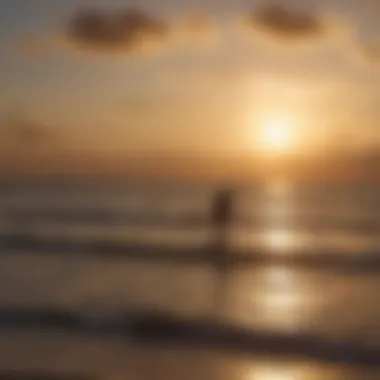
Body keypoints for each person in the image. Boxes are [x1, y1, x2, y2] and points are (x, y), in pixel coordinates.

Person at [210, 188, 235, 317]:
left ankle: (219, 248)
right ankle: (220, 248)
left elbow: (219, 212)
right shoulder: (224, 201)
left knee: (221, 233)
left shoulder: (223, 201)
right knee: (222, 233)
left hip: (221, 219)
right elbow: (221, 212)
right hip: (222, 219)